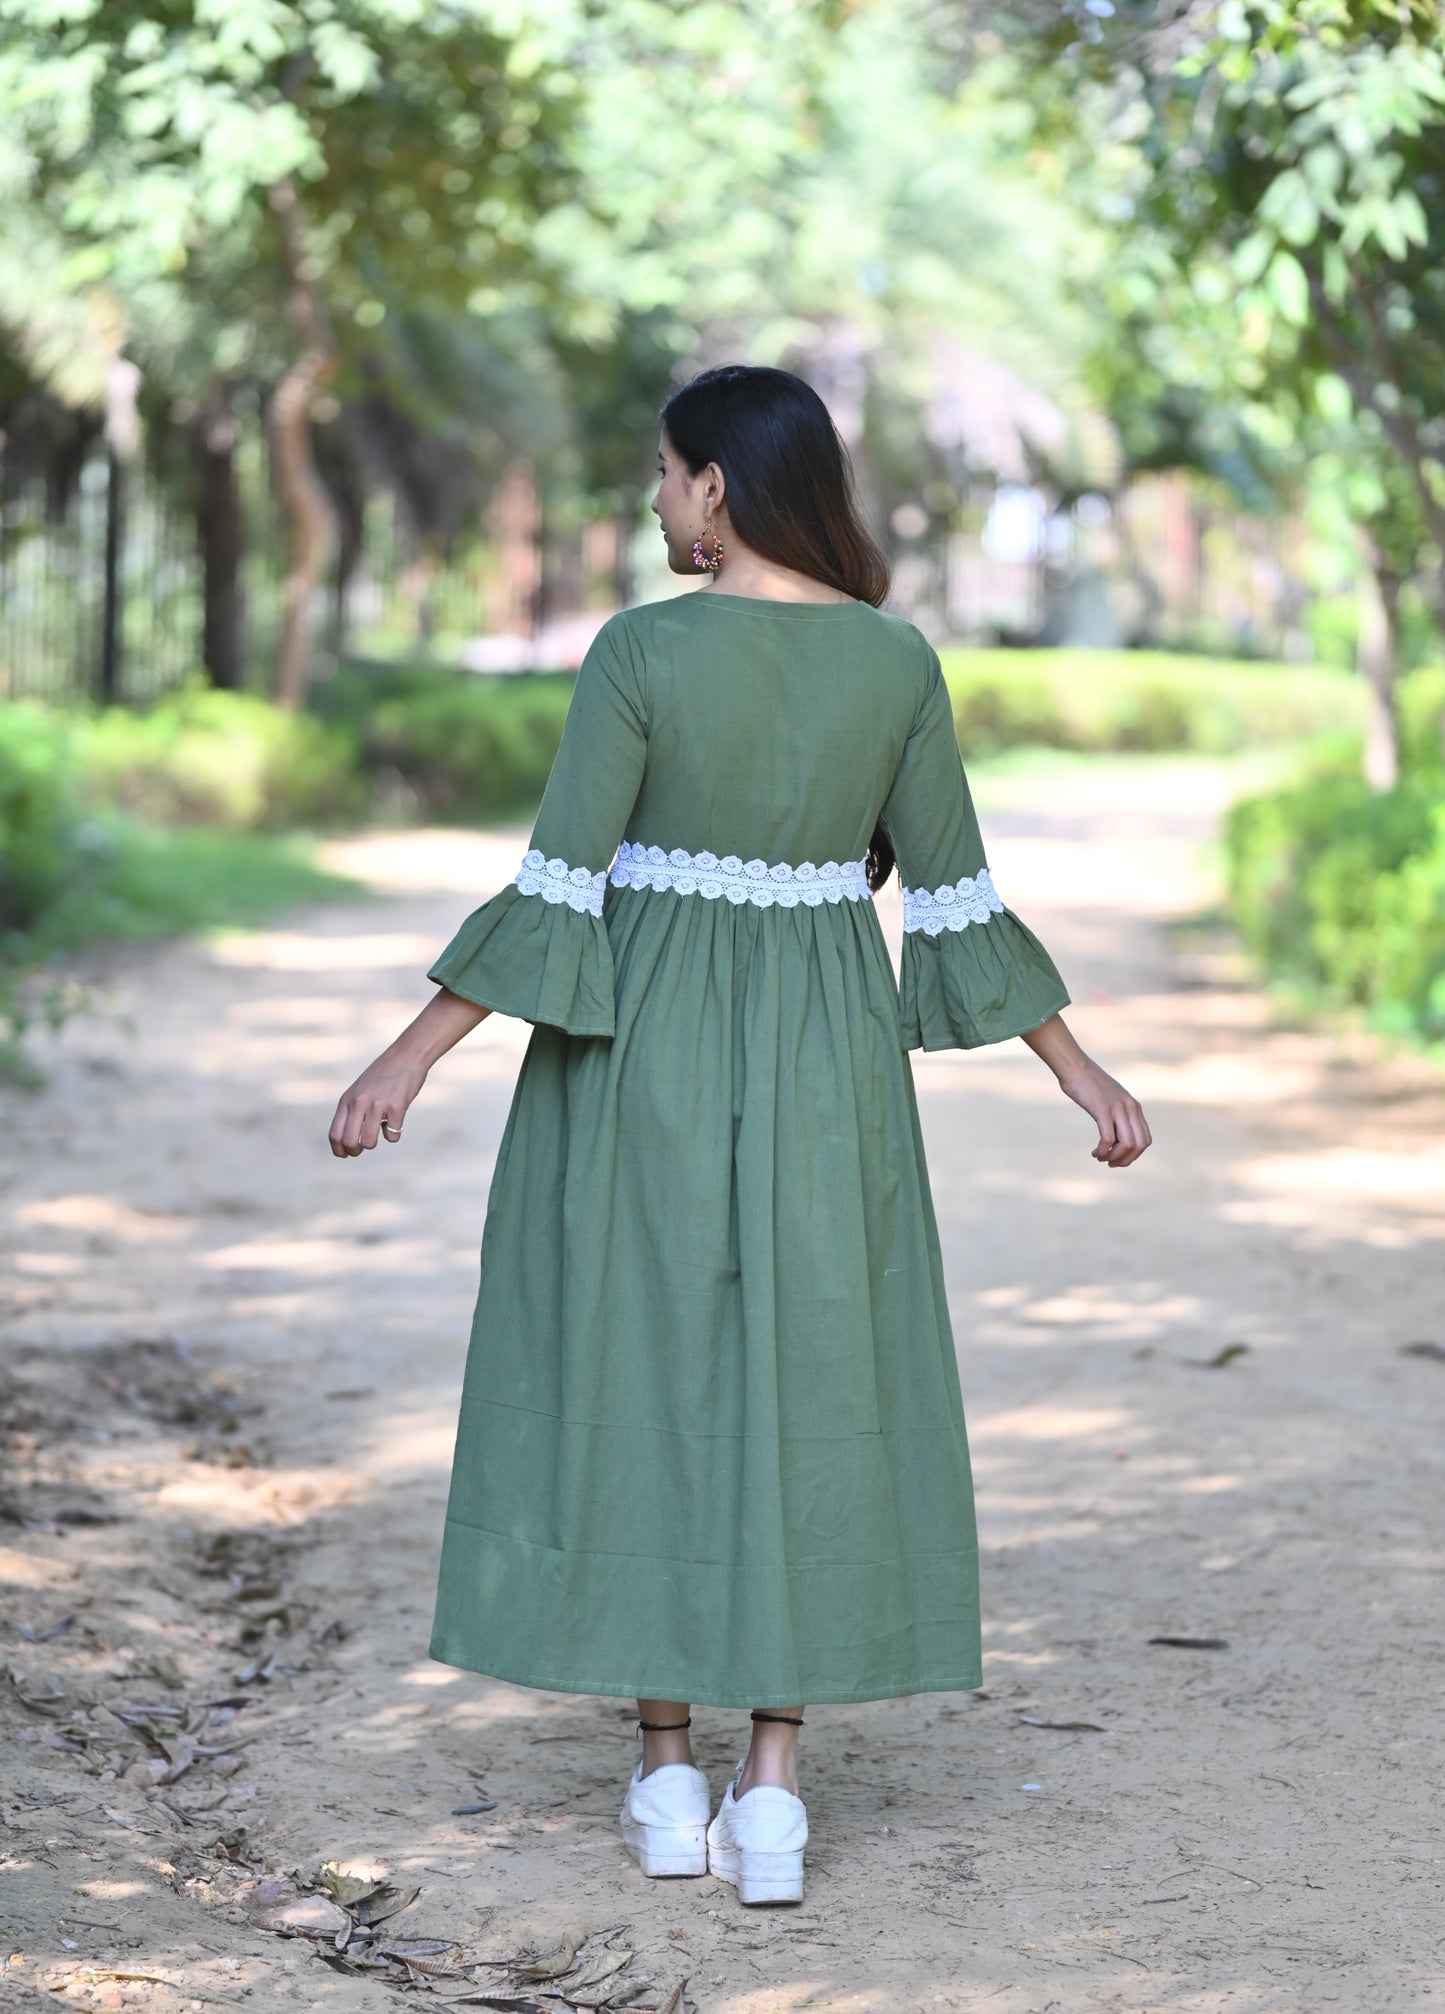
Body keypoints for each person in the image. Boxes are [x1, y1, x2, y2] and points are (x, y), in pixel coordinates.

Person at [328, 364, 1150, 1907]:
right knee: (810, 1366)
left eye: (661, 472)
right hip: (826, 1059)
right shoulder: (896, 663)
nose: (650, 498)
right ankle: (771, 1790)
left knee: (644, 1367)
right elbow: (954, 896)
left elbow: (562, 881)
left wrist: (409, 1053)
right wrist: (1076, 1069)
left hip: (636, 1049)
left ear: (717, 486)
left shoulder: (640, 651)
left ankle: (664, 1764)